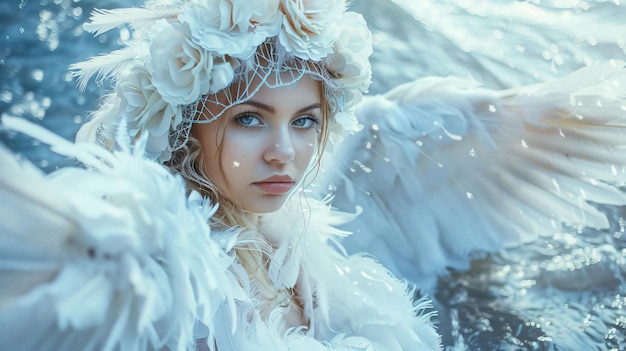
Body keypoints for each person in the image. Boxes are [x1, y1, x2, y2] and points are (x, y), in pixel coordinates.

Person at [0, 0, 442, 350]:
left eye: (304, 121)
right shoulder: (160, 277)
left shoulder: (289, 237)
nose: (283, 152)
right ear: (188, 128)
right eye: (249, 120)